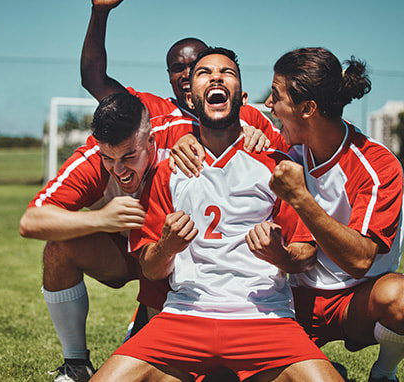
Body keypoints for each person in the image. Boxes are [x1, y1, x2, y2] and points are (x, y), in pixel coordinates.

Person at [90, 47, 344, 382]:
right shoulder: (168, 170)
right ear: (191, 101)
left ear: (243, 97)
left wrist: (279, 254)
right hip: (184, 317)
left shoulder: (276, 167)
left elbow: (306, 256)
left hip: (264, 318)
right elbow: (150, 269)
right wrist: (167, 246)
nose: (216, 77)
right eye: (204, 73)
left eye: (227, 72)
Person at [260, 47, 404, 382]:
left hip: (357, 300)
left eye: (275, 95)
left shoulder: (377, 165)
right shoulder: (289, 150)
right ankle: (323, 369)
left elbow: (360, 259)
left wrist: (302, 199)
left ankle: (384, 373)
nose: (268, 105)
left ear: (307, 108)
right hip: (296, 297)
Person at [19, 92, 198, 381]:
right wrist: (102, 218)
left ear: (151, 140)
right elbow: (31, 220)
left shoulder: (181, 135)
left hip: (180, 258)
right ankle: (76, 364)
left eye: (129, 156)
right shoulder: (91, 160)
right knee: (59, 249)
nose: (119, 169)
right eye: (109, 158)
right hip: (127, 255)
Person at [81, 0, 286, 152]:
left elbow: (289, 159)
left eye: (198, 68)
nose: (187, 75)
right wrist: (100, 12)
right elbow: (94, 81)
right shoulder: (153, 113)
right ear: (169, 75)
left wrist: (260, 138)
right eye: (178, 68)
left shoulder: (249, 117)